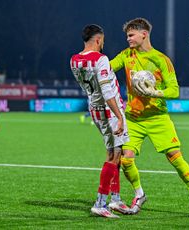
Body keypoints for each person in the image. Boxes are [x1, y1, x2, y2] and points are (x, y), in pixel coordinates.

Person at [110, 18, 189, 218]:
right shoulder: (126, 55)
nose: (128, 39)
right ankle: (139, 194)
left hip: (158, 118)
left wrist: (155, 93)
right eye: (127, 35)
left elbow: (174, 90)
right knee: (126, 160)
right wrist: (92, 63)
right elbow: (108, 67)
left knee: (176, 159)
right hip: (133, 119)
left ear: (144, 34)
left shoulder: (161, 59)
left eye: (131, 35)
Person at [70, 24, 131, 218]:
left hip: (94, 108)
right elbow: (107, 92)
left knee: (116, 152)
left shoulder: (74, 60)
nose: (103, 43)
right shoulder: (101, 59)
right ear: (98, 39)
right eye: (102, 40)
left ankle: (116, 199)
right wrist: (120, 116)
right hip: (108, 110)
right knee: (114, 155)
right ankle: (100, 203)